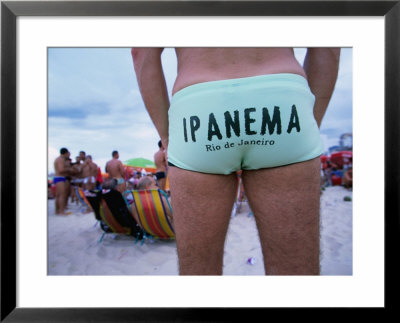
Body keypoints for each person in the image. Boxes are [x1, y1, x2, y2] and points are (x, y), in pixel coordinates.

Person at [132, 47, 340, 275]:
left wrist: (166, 136)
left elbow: (141, 51)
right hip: (280, 94)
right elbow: (328, 46)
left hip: (197, 105)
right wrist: (308, 122)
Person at [53, 147, 73, 215]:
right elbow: (61, 170)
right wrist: (68, 169)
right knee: (62, 195)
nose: (69, 155)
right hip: (59, 178)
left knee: (58, 195)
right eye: (68, 154)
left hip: (59, 178)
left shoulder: (59, 159)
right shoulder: (60, 159)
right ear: (66, 153)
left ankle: (57, 211)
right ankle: (61, 211)